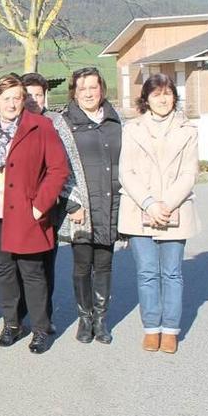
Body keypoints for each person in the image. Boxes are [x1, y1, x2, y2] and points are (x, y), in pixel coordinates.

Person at [0, 73, 69, 354]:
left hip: (27, 212)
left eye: (17, 97)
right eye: (6, 98)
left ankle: (40, 328)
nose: (12, 104)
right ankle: (12, 324)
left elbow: (58, 169)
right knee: (5, 271)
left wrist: (40, 204)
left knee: (32, 272)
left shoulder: (40, 126)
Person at [119, 73, 200, 354]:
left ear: (175, 97)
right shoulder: (131, 128)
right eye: (156, 94)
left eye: (167, 94)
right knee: (147, 272)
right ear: (147, 99)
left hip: (175, 209)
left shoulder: (188, 130)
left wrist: (166, 204)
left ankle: (171, 329)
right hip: (139, 207)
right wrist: (150, 203)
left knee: (173, 273)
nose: (163, 99)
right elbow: (125, 171)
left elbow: (190, 172)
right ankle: (151, 327)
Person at [21, 72, 91, 333]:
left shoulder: (55, 122)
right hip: (19, 206)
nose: (33, 100)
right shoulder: (12, 122)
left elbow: (67, 164)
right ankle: (19, 315)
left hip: (50, 205)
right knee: (21, 266)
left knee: (44, 264)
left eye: (38, 95)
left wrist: (73, 201)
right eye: (28, 95)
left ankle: (44, 317)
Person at [61, 67, 122, 344]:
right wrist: (72, 203)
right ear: (74, 91)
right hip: (81, 208)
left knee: (105, 264)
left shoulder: (114, 120)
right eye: (82, 88)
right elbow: (59, 166)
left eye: (93, 87)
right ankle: (84, 319)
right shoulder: (64, 123)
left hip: (110, 202)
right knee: (82, 265)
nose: (88, 93)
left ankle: (101, 319)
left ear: (102, 89)